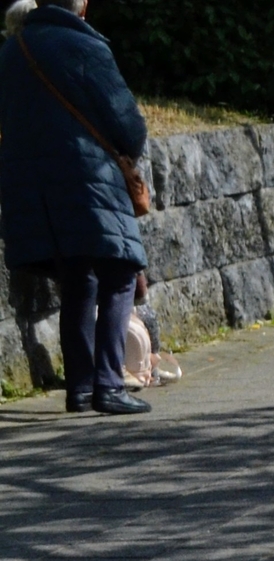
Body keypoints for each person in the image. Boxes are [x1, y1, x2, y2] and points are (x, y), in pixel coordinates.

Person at [0, 0, 151, 414]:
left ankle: (80, 388)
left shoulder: (13, 50)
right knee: (120, 272)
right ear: (81, 7)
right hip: (89, 180)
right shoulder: (87, 47)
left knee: (77, 279)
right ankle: (109, 384)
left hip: (32, 188)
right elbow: (130, 129)